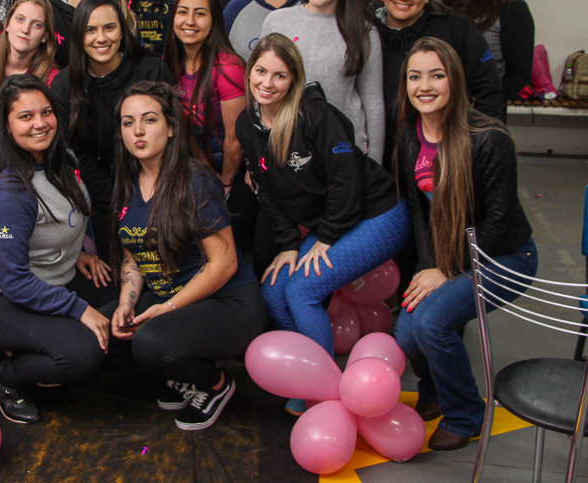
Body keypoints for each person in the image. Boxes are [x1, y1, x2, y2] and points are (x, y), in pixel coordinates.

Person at [236, 35, 410, 415]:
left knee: (301, 292)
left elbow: (345, 180)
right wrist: (286, 244)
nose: (267, 83)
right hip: (332, 219)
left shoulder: (315, 115)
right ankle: (311, 372)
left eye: (279, 76)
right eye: (260, 72)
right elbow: (266, 189)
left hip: (377, 213)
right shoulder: (246, 124)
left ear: (294, 79)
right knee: (273, 289)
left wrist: (327, 237)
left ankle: (323, 392)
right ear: (249, 73)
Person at [393, 37, 537, 451]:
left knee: (432, 324)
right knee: (406, 332)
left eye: (436, 75)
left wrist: (447, 270)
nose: (425, 85)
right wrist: (426, 265)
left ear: (454, 79)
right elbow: (419, 214)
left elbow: (498, 223)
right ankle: (436, 392)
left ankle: (466, 414)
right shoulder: (410, 131)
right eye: (415, 76)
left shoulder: (489, 138)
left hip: (505, 255)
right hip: (447, 254)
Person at [105, 81, 263, 431]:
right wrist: (126, 302)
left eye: (149, 120)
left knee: (149, 342)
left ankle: (216, 385)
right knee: (107, 332)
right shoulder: (128, 180)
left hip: (227, 301)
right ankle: (182, 376)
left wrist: (166, 308)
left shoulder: (196, 180)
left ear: (171, 127)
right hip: (170, 297)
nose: (138, 131)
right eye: (128, 123)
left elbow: (224, 264)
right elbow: (134, 252)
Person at [0, 75, 115, 424]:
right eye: (26, 116)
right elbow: (12, 278)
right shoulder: (10, 193)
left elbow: (64, 217)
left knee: (120, 304)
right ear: (7, 125)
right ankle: (6, 378)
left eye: (46, 112)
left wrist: (78, 253)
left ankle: (36, 339)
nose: (40, 123)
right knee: (82, 354)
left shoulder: (59, 155)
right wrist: (79, 309)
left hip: (52, 277)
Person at [51, 0, 175, 262]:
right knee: (118, 272)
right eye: (90, 30)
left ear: (122, 30)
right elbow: (73, 151)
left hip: (159, 185)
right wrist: (113, 197)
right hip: (101, 193)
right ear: (78, 36)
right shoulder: (64, 85)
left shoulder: (152, 70)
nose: (101, 38)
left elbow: (173, 136)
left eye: (109, 27)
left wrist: (149, 192)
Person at [260, 0, 385, 163]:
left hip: (345, 153)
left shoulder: (364, 32)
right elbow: (259, 93)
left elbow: (373, 103)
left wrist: (374, 164)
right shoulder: (276, 22)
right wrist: (256, 154)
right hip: (286, 150)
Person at [375, 0, 504, 167]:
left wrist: (477, 148)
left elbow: (489, 93)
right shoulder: (366, 33)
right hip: (386, 159)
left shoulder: (458, 30)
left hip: (449, 156)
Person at [164, 0, 246, 190]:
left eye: (200, 14)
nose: (189, 21)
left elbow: (235, 140)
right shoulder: (170, 62)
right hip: (198, 169)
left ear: (213, 21)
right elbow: (184, 131)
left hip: (236, 173)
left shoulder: (228, 67)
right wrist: (210, 174)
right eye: (183, 12)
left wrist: (225, 185)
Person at [0, 0, 59, 109]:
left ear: (45, 36)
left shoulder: (51, 79)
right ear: (8, 24)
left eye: (36, 25)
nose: (25, 30)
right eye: (20, 19)